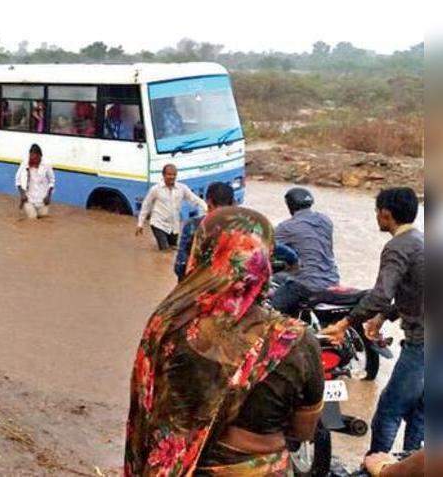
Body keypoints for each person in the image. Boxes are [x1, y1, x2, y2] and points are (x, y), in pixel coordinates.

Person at [125, 207, 324, 476]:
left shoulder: (167, 324)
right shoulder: (296, 340)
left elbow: (144, 412)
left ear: (202, 251)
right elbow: (303, 430)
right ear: (263, 259)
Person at [322, 187, 424, 456]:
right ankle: (412, 468)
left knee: (389, 411)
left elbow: (380, 294)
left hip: (422, 344)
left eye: (377, 212)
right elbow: (417, 292)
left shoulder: (397, 247)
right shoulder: (423, 242)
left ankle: (374, 466)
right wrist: (383, 317)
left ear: (386, 214)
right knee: (420, 414)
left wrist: (345, 323)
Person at [270, 187, 341, 315]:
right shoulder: (325, 220)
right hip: (332, 280)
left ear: (290, 205)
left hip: (307, 285)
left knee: (269, 312)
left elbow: (266, 245)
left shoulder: (286, 227)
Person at [136, 164, 208, 251]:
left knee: (174, 248)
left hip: (174, 226)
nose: (172, 177)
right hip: (158, 224)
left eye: (174, 175)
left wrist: (207, 208)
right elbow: (146, 205)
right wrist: (140, 224)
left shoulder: (182, 188)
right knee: (165, 251)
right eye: (169, 174)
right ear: (163, 175)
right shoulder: (155, 189)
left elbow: (195, 199)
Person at [173, 181, 235, 280]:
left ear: (208, 202)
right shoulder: (245, 229)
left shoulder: (193, 226)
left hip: (198, 288)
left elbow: (180, 266)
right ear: (233, 203)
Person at [15, 144, 54, 220]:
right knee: (32, 219)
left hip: (42, 200)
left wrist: (48, 196)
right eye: (31, 157)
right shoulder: (25, 164)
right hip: (28, 199)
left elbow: (52, 180)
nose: (33, 160)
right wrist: (22, 194)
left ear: (40, 156)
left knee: (43, 218)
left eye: (35, 158)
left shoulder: (46, 165)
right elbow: (17, 180)